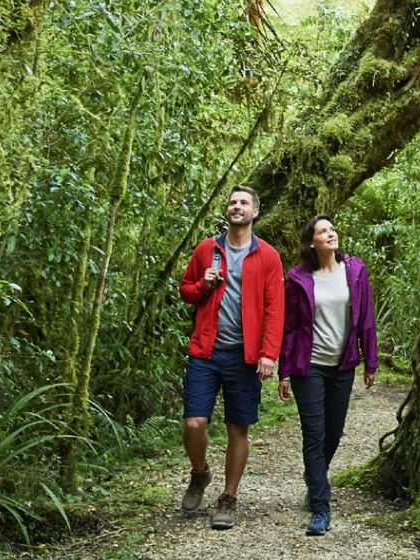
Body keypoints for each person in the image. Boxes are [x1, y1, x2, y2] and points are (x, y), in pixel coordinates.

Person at [177, 186, 284, 530]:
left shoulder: (267, 256)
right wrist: (203, 285)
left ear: (255, 212)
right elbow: (186, 291)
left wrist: (269, 353)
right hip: (205, 352)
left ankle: (228, 498)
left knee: (238, 428)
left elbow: (274, 309)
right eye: (233, 202)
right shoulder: (208, 249)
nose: (237, 206)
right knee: (194, 423)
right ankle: (199, 474)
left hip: (244, 357)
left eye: (244, 203)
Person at [277, 215, 378, 536]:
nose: (330, 233)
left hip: (343, 365)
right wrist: (284, 370)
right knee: (314, 434)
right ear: (312, 242)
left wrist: (371, 361)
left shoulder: (355, 271)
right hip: (309, 368)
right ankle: (321, 506)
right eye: (323, 231)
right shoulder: (298, 279)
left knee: (334, 432)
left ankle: (314, 477)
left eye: (332, 229)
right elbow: (289, 327)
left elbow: (367, 320)